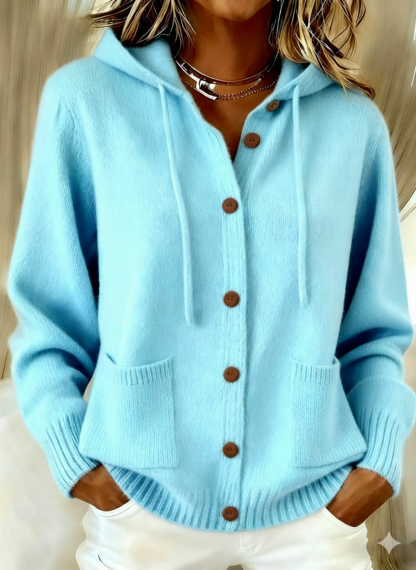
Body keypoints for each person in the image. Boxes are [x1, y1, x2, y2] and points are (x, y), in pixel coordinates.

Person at [6, 0, 416, 568]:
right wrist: (80, 467)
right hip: (141, 511)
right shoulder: (86, 102)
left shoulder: (351, 123)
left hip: (317, 516)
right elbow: (49, 320)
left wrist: (376, 468)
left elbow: (373, 333)